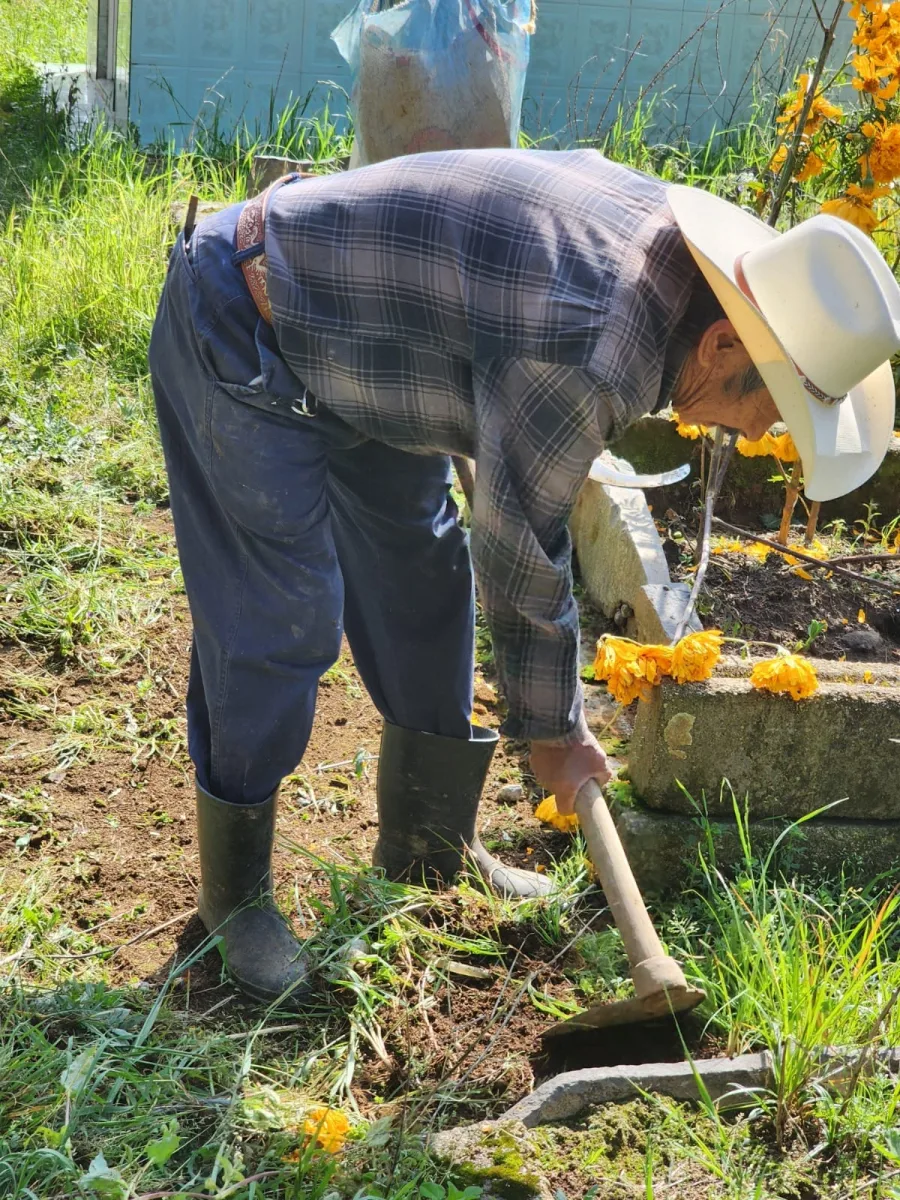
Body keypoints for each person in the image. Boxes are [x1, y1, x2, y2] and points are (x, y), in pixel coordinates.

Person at [149, 148, 900, 1008]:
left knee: (425, 579)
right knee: (281, 620)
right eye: (768, 406)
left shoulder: (673, 284)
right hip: (247, 325)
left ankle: (428, 847)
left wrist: (553, 717)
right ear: (725, 338)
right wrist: (554, 731)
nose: (762, 430)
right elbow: (519, 542)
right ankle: (233, 902)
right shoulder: (593, 342)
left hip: (373, 346)